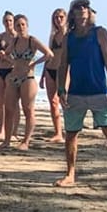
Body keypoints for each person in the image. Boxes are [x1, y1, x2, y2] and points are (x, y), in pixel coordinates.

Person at [54, 0, 107, 190]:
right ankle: (70, 173)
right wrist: (61, 89)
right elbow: (63, 64)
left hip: (98, 91)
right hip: (76, 92)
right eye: (78, 8)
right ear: (72, 13)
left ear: (89, 12)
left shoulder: (100, 33)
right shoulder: (68, 37)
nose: (82, 10)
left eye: (85, 7)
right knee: (71, 134)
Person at [1, 14, 52, 151]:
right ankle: (7, 140)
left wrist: (34, 63)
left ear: (27, 26)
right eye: (18, 25)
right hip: (14, 77)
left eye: (23, 24)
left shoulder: (32, 40)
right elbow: (5, 54)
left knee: (27, 109)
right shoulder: (15, 41)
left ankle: (26, 141)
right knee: (9, 109)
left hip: (28, 79)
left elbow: (48, 54)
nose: (21, 27)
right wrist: (13, 61)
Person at [41, 8, 68, 142]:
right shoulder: (53, 36)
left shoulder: (70, 35)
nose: (59, 20)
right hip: (50, 69)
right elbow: (48, 55)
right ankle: (58, 132)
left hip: (63, 71)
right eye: (56, 17)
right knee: (53, 102)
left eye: (61, 17)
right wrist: (42, 76)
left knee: (64, 100)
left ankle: (69, 130)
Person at [0, 11, 16, 142]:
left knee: (11, 102)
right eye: (6, 21)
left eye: (10, 21)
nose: (8, 23)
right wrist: (0, 54)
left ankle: (13, 130)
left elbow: (17, 59)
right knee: (0, 101)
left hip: (11, 70)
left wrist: (6, 56)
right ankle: (1, 129)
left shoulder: (17, 37)